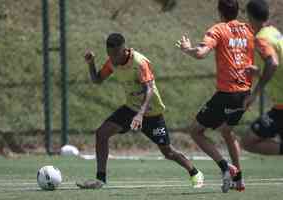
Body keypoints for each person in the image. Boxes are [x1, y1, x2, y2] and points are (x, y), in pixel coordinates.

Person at [77, 33, 204, 189]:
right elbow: (97, 80)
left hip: (151, 112)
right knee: (101, 134)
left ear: (124, 49)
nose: (113, 58)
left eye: (116, 54)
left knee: (168, 152)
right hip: (131, 108)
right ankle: (100, 179)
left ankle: (195, 172)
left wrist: (140, 115)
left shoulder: (139, 62)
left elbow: (149, 89)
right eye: (110, 54)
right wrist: (91, 63)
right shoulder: (112, 62)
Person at [176, 0, 256, 193]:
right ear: (237, 11)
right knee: (227, 132)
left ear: (220, 12)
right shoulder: (249, 29)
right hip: (245, 94)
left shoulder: (218, 29)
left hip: (227, 94)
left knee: (195, 131)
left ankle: (225, 167)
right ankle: (239, 180)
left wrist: (186, 49)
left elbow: (202, 53)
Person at [241, 0, 282, 156]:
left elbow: (273, 63)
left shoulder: (262, 38)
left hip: (281, 107)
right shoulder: (275, 33)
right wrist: (258, 71)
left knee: (248, 141)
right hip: (280, 105)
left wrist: (254, 94)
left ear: (250, 17)